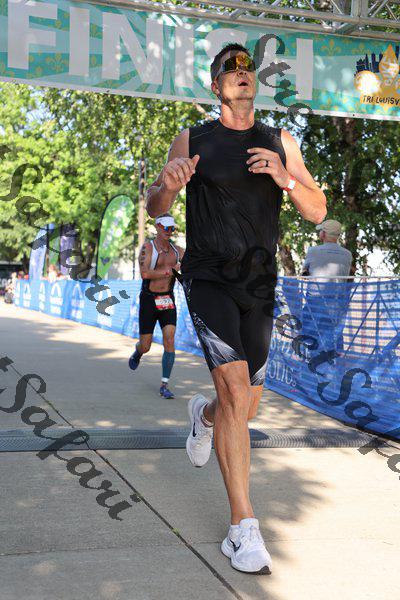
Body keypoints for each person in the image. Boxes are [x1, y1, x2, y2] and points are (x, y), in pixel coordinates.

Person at [146, 43, 326, 574]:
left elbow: (318, 211)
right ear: (216, 85)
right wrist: (167, 188)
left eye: (248, 67)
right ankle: (242, 527)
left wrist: (284, 177)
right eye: (231, 68)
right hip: (208, 278)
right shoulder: (193, 138)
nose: (242, 73)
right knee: (234, 389)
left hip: (259, 285)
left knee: (244, 408)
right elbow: (155, 203)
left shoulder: (280, 141)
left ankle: (202, 417)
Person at [128, 214, 184, 399]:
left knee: (170, 338)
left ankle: (164, 384)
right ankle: (138, 352)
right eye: (166, 228)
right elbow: (144, 273)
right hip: (149, 300)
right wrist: (168, 271)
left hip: (167, 299)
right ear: (158, 227)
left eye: (172, 228)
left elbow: (193, 264)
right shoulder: (148, 248)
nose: (169, 231)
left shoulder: (178, 251)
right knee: (146, 346)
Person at [301, 220, 353, 356]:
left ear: (323, 234)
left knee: (310, 331)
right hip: (338, 301)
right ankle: (335, 359)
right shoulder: (347, 254)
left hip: (315, 301)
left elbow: (304, 273)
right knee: (334, 333)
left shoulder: (313, 251)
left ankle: (309, 360)